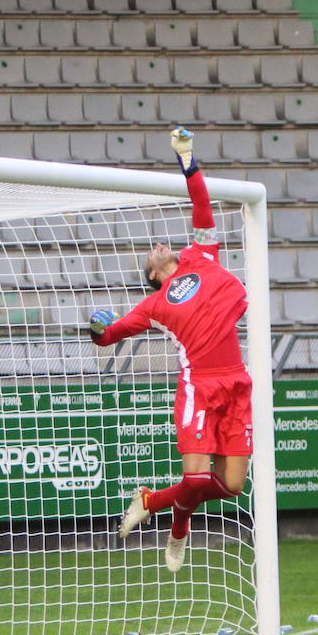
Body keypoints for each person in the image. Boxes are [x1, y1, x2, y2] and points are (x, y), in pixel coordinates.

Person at [90, 127, 253, 574]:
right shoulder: (153, 305)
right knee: (197, 478)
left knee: (232, 486)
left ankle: (154, 502)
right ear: (153, 275)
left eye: (160, 245)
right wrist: (96, 329)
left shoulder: (202, 254)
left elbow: (201, 203)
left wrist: (188, 159)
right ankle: (177, 525)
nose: (158, 246)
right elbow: (109, 336)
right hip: (199, 387)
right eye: (151, 254)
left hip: (236, 382)